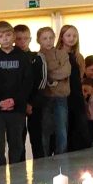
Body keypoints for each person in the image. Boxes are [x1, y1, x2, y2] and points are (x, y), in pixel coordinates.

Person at [0, 22, 35, 170]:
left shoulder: (23, 57)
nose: (5, 39)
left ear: (13, 36)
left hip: (17, 108)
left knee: (16, 143)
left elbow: (27, 82)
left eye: (8, 35)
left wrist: (15, 100)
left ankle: (17, 173)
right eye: (0, 36)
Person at [13, 24, 48, 160]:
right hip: (17, 104)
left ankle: (40, 168)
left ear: (30, 39)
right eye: (19, 38)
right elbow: (12, 84)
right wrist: (22, 103)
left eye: (25, 38)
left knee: (37, 137)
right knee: (18, 139)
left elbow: (42, 81)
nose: (22, 42)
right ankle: (19, 169)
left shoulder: (37, 57)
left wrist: (31, 103)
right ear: (14, 39)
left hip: (35, 104)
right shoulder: (11, 58)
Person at [37, 27, 70, 156]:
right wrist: (50, 76)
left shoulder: (62, 54)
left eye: (51, 38)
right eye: (45, 38)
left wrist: (49, 75)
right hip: (44, 97)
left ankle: (62, 157)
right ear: (38, 40)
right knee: (45, 130)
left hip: (61, 96)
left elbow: (65, 71)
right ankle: (45, 158)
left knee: (61, 129)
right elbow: (40, 74)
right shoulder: (37, 56)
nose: (48, 41)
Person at [58, 26, 90, 151]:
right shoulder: (57, 54)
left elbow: (80, 76)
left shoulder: (78, 56)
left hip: (76, 95)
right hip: (63, 95)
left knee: (80, 128)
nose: (72, 38)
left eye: (74, 36)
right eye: (68, 35)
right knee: (65, 129)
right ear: (62, 37)